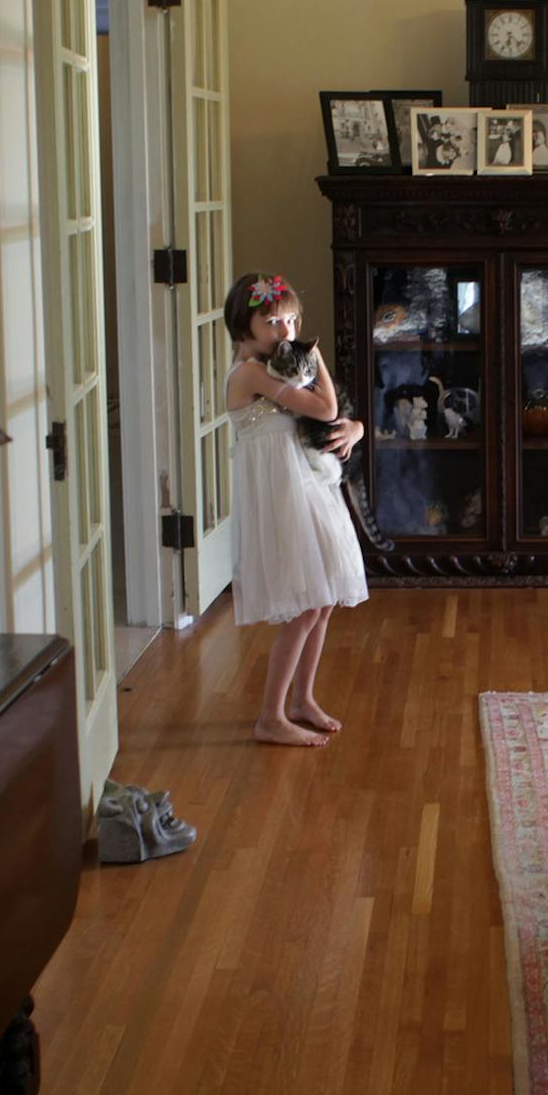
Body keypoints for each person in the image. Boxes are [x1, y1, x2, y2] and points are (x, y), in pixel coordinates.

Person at [224, 273, 369, 746]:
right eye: (272, 321)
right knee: (304, 606)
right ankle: (270, 715)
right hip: (283, 494)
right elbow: (325, 408)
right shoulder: (250, 374)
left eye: (291, 320)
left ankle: (303, 698)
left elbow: (338, 420)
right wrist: (318, 354)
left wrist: (357, 430)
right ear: (244, 328)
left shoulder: (280, 367)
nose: (285, 330)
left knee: (323, 601)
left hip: (308, 485)